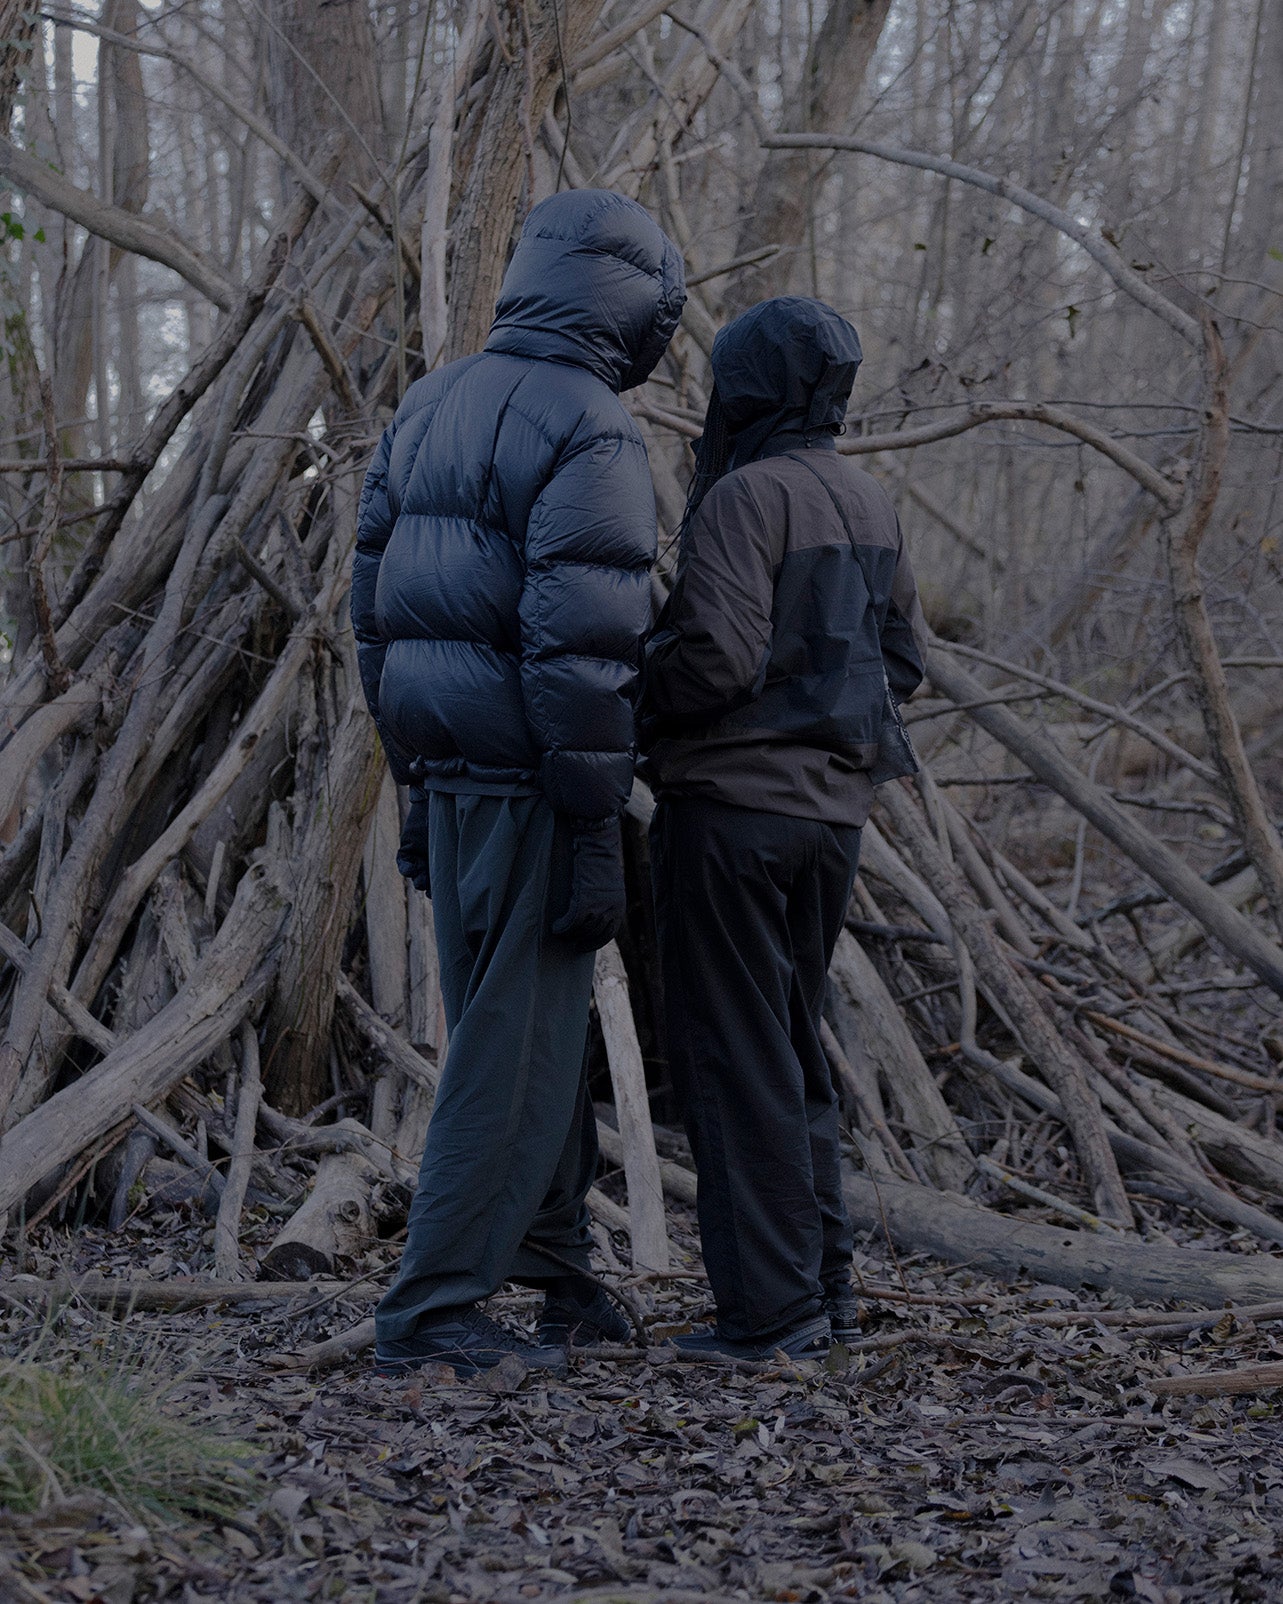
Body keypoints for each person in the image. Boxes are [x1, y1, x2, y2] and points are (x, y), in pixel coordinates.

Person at [351, 189, 685, 1376]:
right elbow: (583, 647)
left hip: (446, 767)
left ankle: (557, 1269)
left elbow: (372, 610)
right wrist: (590, 817)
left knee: (523, 1028)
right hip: (533, 774)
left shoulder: (429, 402)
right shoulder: (592, 427)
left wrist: (413, 775)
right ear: (631, 307)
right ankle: (431, 1309)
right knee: (515, 1043)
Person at [640, 296, 928, 1361]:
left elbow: (714, 657)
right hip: (830, 826)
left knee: (734, 1059)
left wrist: (632, 692)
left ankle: (771, 1318)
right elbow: (903, 664)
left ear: (751, 384)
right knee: (791, 1051)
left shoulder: (744, 496)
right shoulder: (868, 498)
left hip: (730, 819)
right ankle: (825, 1298)